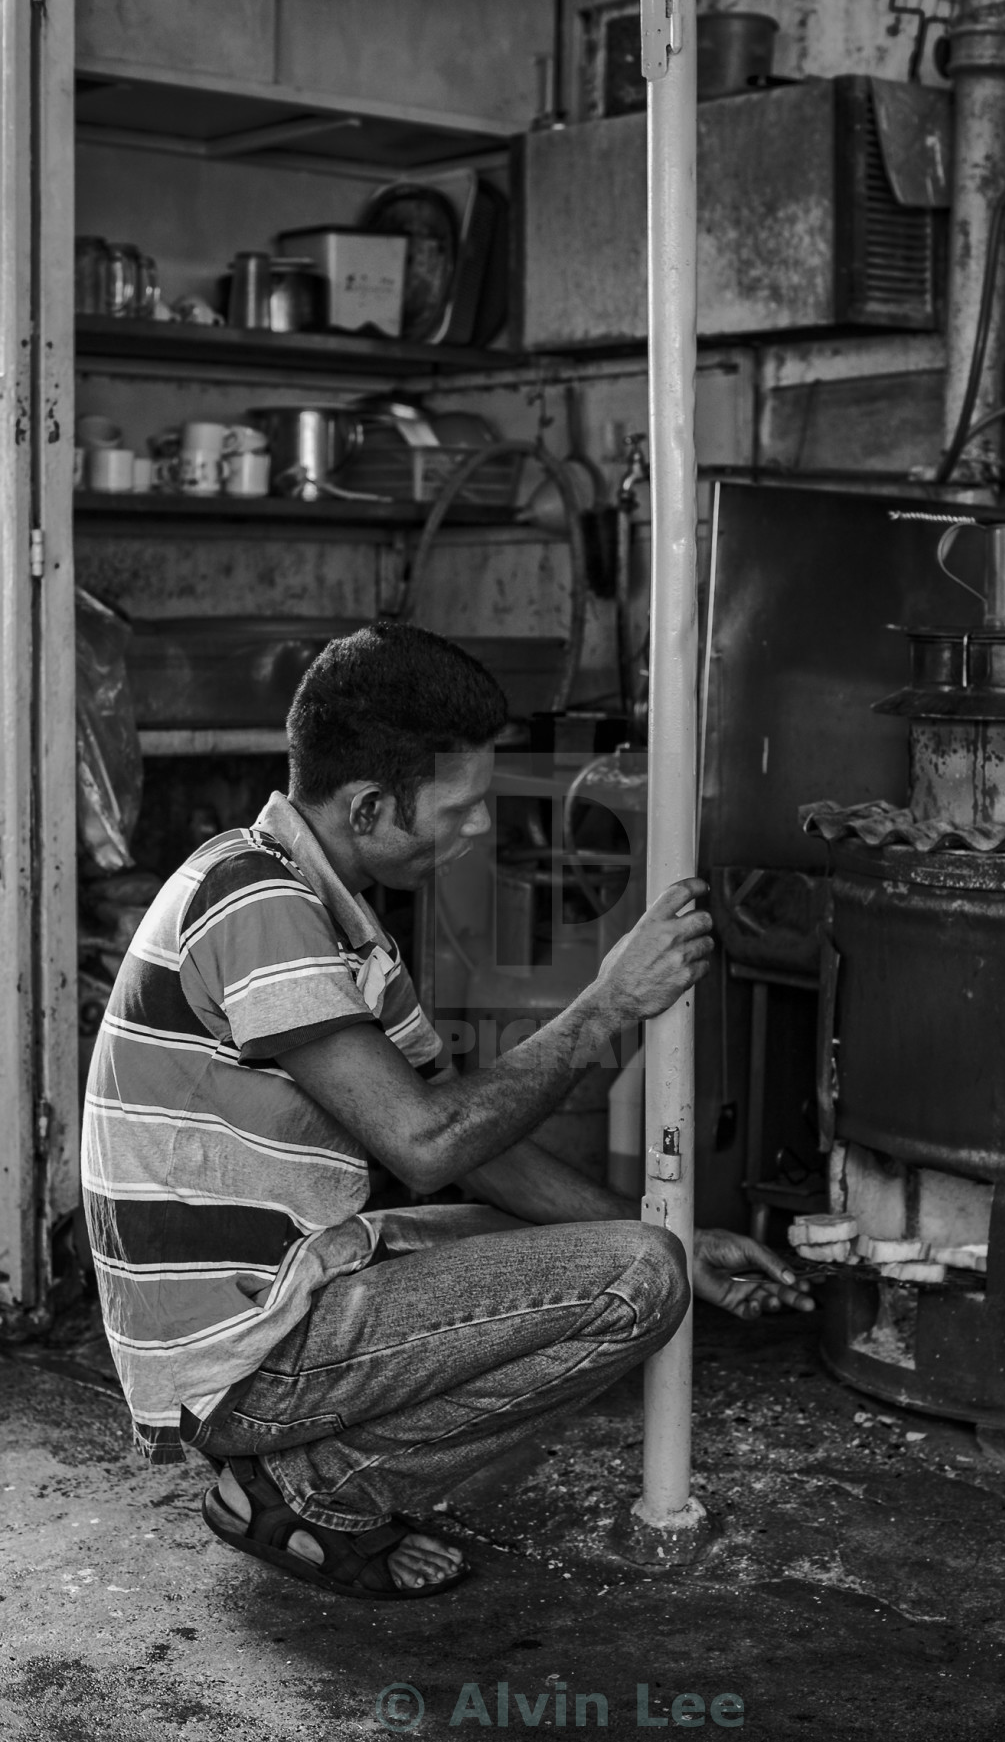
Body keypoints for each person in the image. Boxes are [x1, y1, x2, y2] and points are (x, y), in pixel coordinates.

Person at [82, 621, 812, 1603]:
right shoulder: (254, 903)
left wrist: (672, 1225)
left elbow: (476, 1149)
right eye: (459, 810)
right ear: (373, 804)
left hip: (295, 1288)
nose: (476, 832)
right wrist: (604, 1007)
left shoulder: (329, 915)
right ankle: (309, 1487)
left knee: (642, 1254)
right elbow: (427, 1146)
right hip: (241, 1354)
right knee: (634, 1284)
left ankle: (302, 1476)